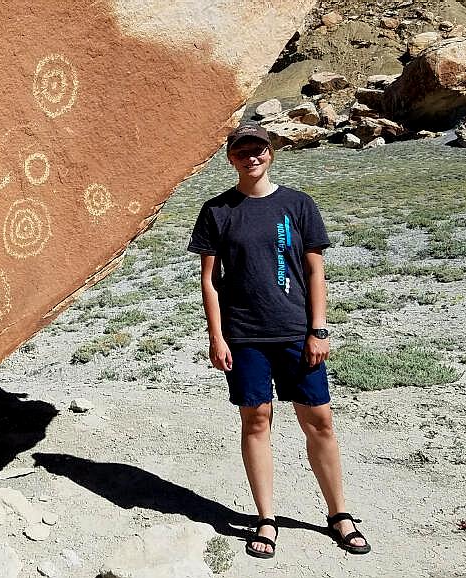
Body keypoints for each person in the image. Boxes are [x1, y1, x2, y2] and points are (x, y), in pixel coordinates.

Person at [187, 123, 370, 559]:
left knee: (320, 421)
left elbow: (314, 271)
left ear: (271, 153)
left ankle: (339, 514)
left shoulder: (297, 204)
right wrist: (216, 335)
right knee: (256, 421)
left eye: (259, 149)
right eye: (242, 150)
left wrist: (318, 328)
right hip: (244, 336)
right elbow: (210, 282)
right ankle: (265, 519)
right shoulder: (217, 210)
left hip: (295, 332)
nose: (252, 156)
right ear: (231, 157)